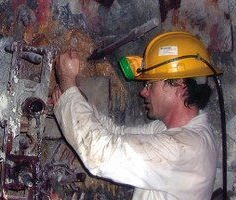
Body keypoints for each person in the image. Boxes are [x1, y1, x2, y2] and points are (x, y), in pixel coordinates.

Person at [49, 31, 223, 200]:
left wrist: (67, 80)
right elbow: (117, 133)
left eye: (150, 84)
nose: (143, 92)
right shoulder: (174, 131)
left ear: (179, 85)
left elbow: (101, 154)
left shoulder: (185, 148)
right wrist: (74, 97)